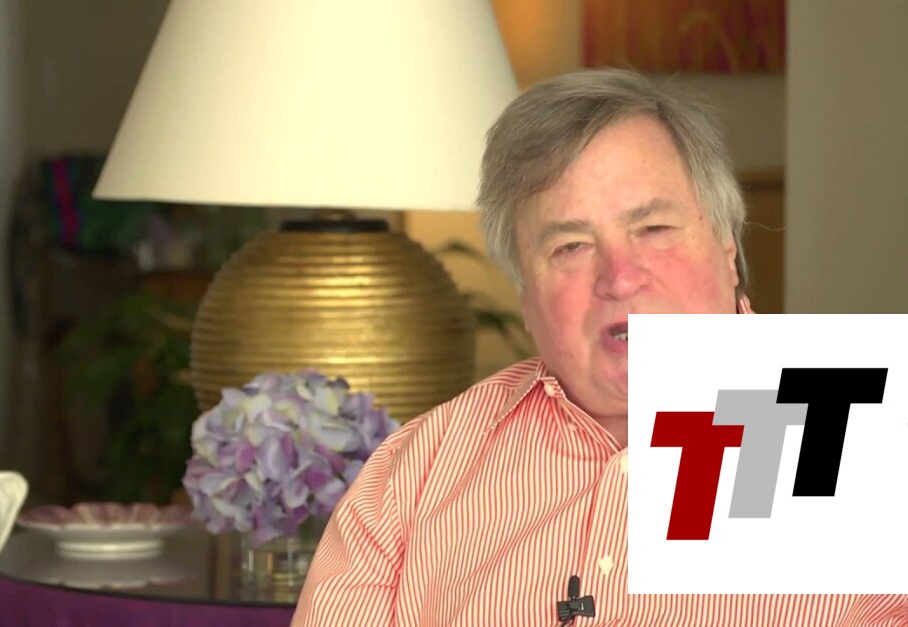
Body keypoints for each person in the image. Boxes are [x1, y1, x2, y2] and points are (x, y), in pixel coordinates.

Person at [291, 69, 908, 626]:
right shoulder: (414, 474)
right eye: (571, 247)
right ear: (525, 295)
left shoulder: (869, 432)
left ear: (727, 247)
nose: (620, 276)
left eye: (654, 229)